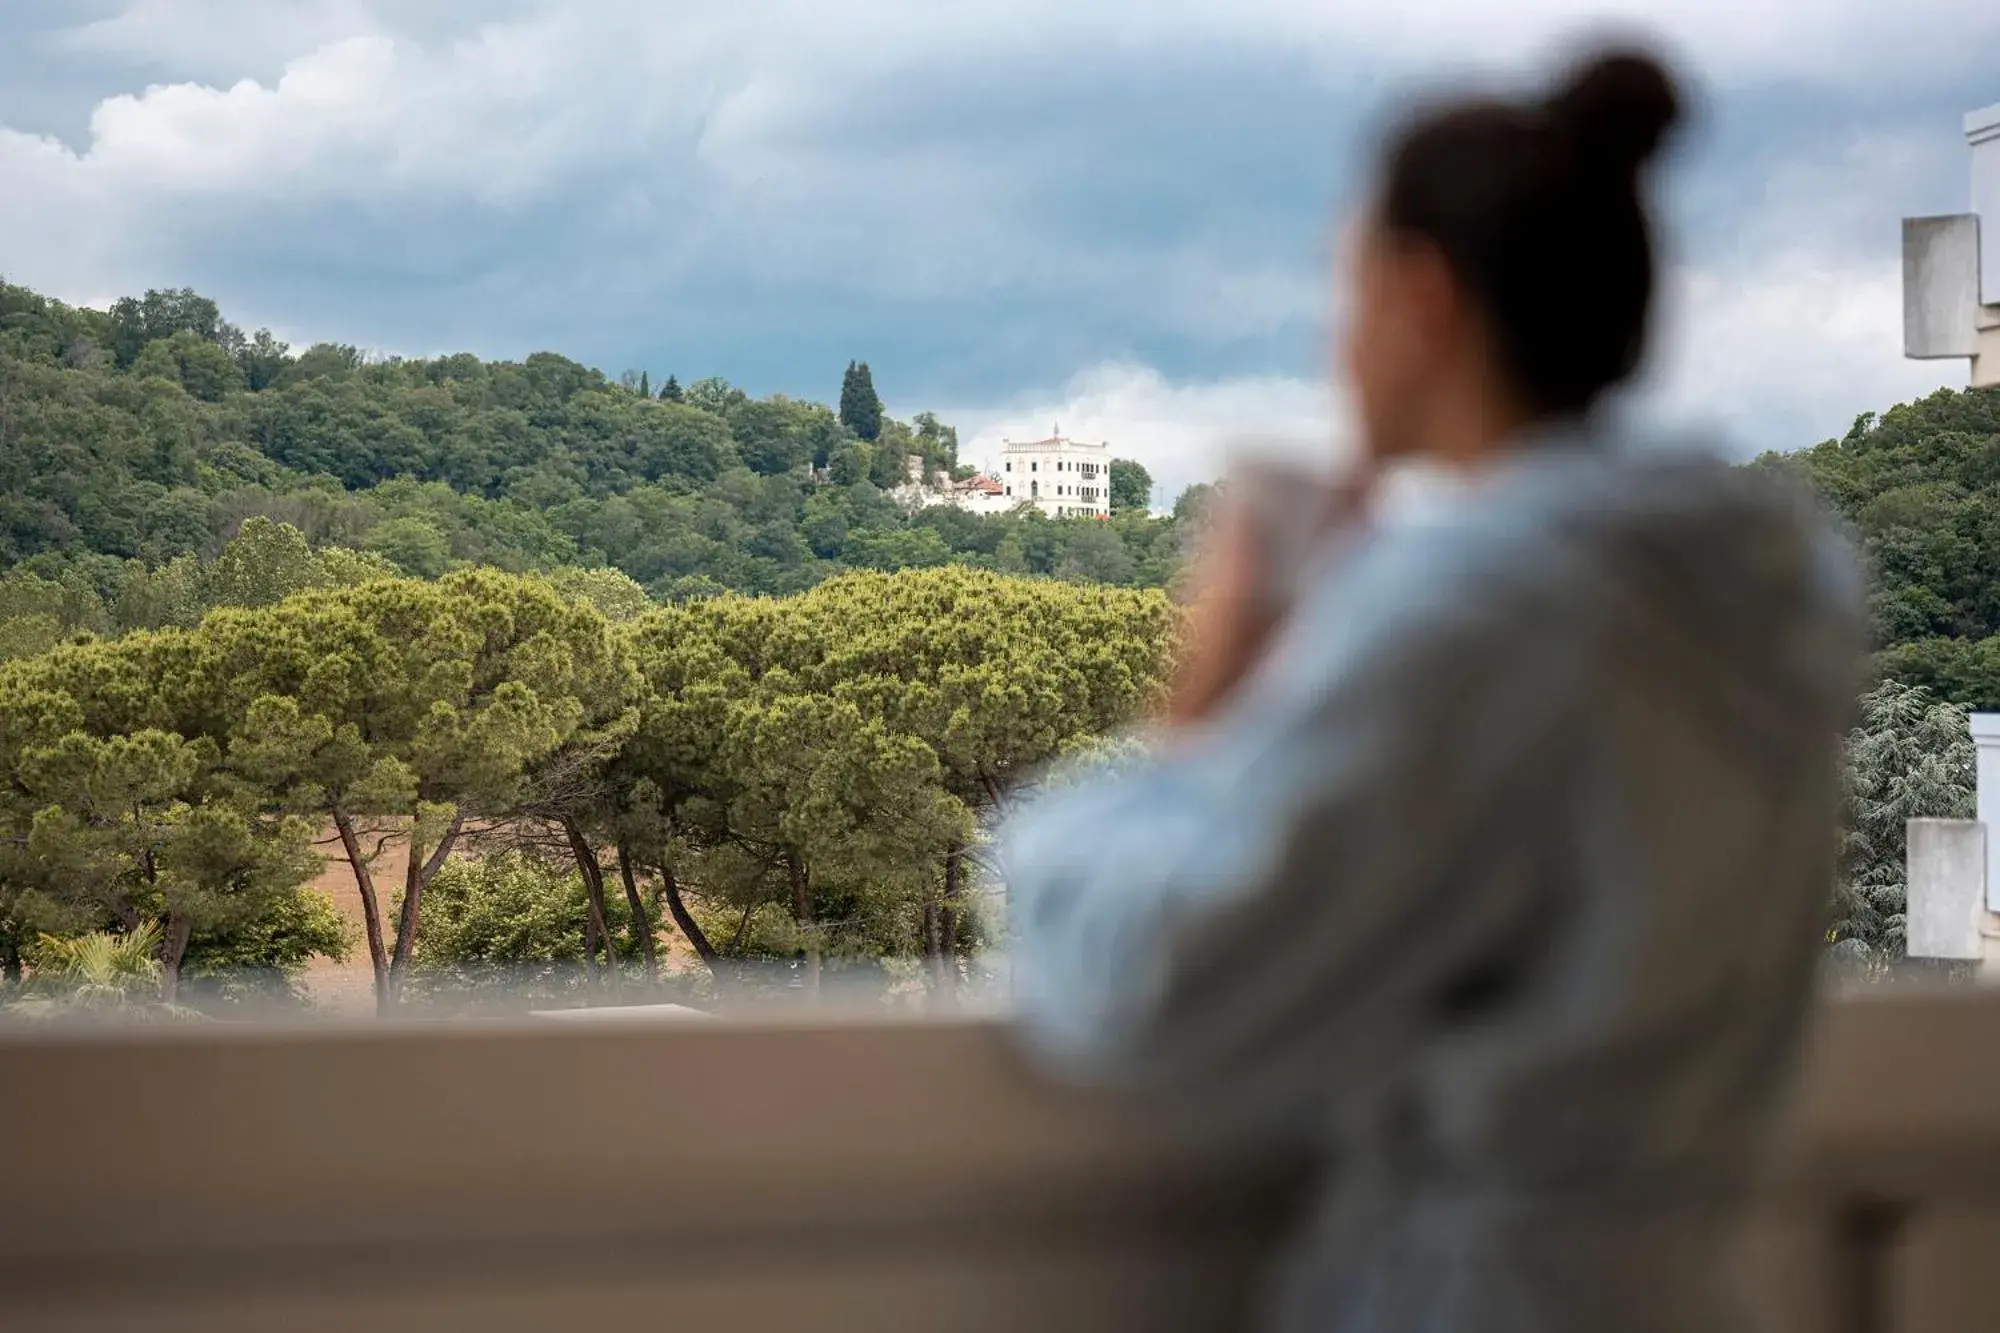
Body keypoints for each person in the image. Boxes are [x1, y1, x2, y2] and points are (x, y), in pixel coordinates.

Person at [1000, 45, 1866, 1333]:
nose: (1336, 337)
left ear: (1421, 294)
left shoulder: (1487, 610)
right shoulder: (1750, 597)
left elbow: (1161, 984)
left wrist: (1201, 717)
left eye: (1345, 290)